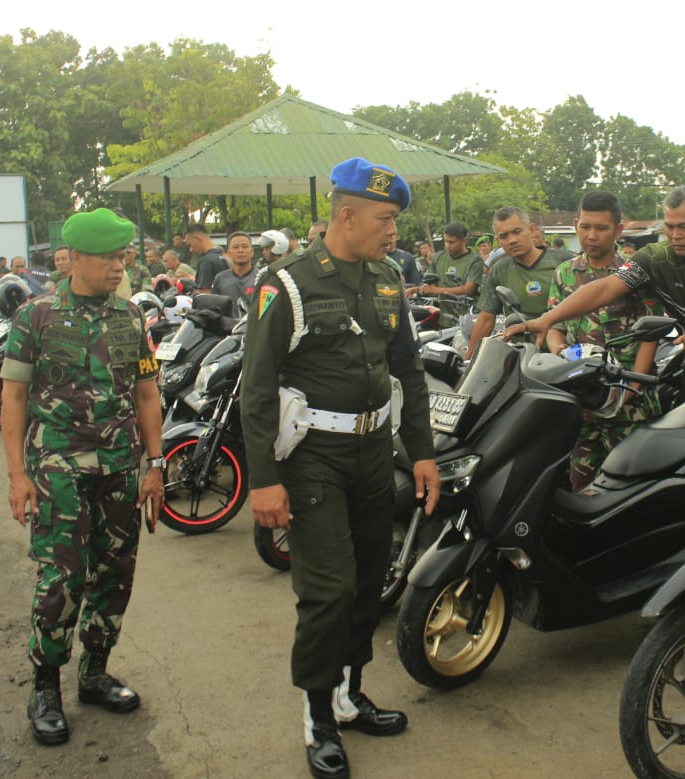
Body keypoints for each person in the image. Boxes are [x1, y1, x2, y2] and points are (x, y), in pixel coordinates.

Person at [240, 157, 438, 779]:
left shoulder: (387, 280)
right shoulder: (287, 284)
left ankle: (351, 695)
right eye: (385, 219)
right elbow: (258, 389)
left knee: (369, 582)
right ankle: (318, 715)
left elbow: (407, 369)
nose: (394, 232)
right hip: (313, 460)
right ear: (346, 215)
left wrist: (423, 451)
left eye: (396, 220)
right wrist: (264, 481)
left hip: (374, 453)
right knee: (327, 592)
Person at [0, 207, 164, 747]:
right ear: (78, 259)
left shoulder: (130, 317)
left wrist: (156, 464)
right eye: (111, 258)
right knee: (62, 579)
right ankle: (44, 686)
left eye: (124, 257)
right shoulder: (37, 316)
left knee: (116, 574)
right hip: (58, 471)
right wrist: (16, 474)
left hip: (120, 469)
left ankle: (94, 672)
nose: (121, 267)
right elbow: (14, 396)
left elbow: (146, 393)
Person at [509, 184, 685, 349]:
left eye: (684, 227)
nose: (675, 235)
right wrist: (548, 319)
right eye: (669, 227)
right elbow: (605, 288)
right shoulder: (655, 258)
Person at [546, 191, 663, 490]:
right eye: (585, 227)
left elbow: (651, 335)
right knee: (577, 486)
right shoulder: (564, 273)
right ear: (575, 225)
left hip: (627, 406)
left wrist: (633, 388)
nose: (591, 235)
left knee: (627, 488)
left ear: (619, 230)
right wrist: (559, 352)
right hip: (581, 402)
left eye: (601, 228)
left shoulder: (635, 273)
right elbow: (554, 325)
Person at [465, 206, 562, 359]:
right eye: (504, 236)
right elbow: (485, 318)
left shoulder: (562, 262)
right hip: (522, 358)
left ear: (531, 229)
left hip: (562, 356)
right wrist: (469, 358)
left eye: (517, 232)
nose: (512, 240)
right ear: (498, 240)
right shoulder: (498, 270)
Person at [411, 221, 483, 326]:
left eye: (452, 242)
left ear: (463, 241)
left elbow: (469, 289)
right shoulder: (438, 258)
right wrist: (415, 289)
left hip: (467, 321)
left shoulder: (475, 260)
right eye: (446, 241)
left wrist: (438, 290)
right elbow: (430, 286)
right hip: (444, 321)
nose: (448, 245)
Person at [212, 232, 259, 301]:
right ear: (228, 253)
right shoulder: (220, 279)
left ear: (252, 252)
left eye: (245, 246)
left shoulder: (261, 277)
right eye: (235, 247)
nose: (240, 250)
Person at [185, 223, 227, 292]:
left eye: (190, 244)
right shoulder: (224, 255)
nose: (191, 250)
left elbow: (204, 294)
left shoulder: (206, 261)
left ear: (198, 239)